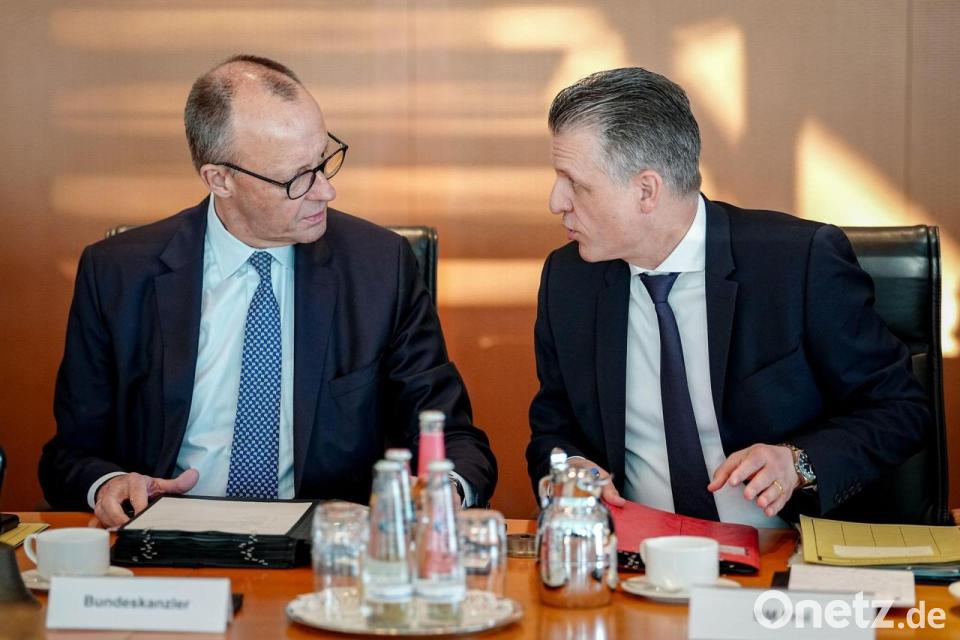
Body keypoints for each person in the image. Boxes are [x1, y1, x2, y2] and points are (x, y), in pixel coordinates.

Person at [40, 55, 497, 527]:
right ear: (220, 179)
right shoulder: (118, 273)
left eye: (324, 161)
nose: (325, 191)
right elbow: (70, 454)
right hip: (168, 537)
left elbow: (451, 437)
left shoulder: (380, 267)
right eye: (297, 178)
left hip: (326, 546)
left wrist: (444, 492)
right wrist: (109, 483)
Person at [526, 67, 929, 526]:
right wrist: (570, 469)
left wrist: (798, 463)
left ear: (646, 191)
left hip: (787, 549)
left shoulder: (798, 263)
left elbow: (901, 410)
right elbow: (554, 427)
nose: (556, 201)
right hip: (638, 552)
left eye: (575, 183)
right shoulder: (569, 280)